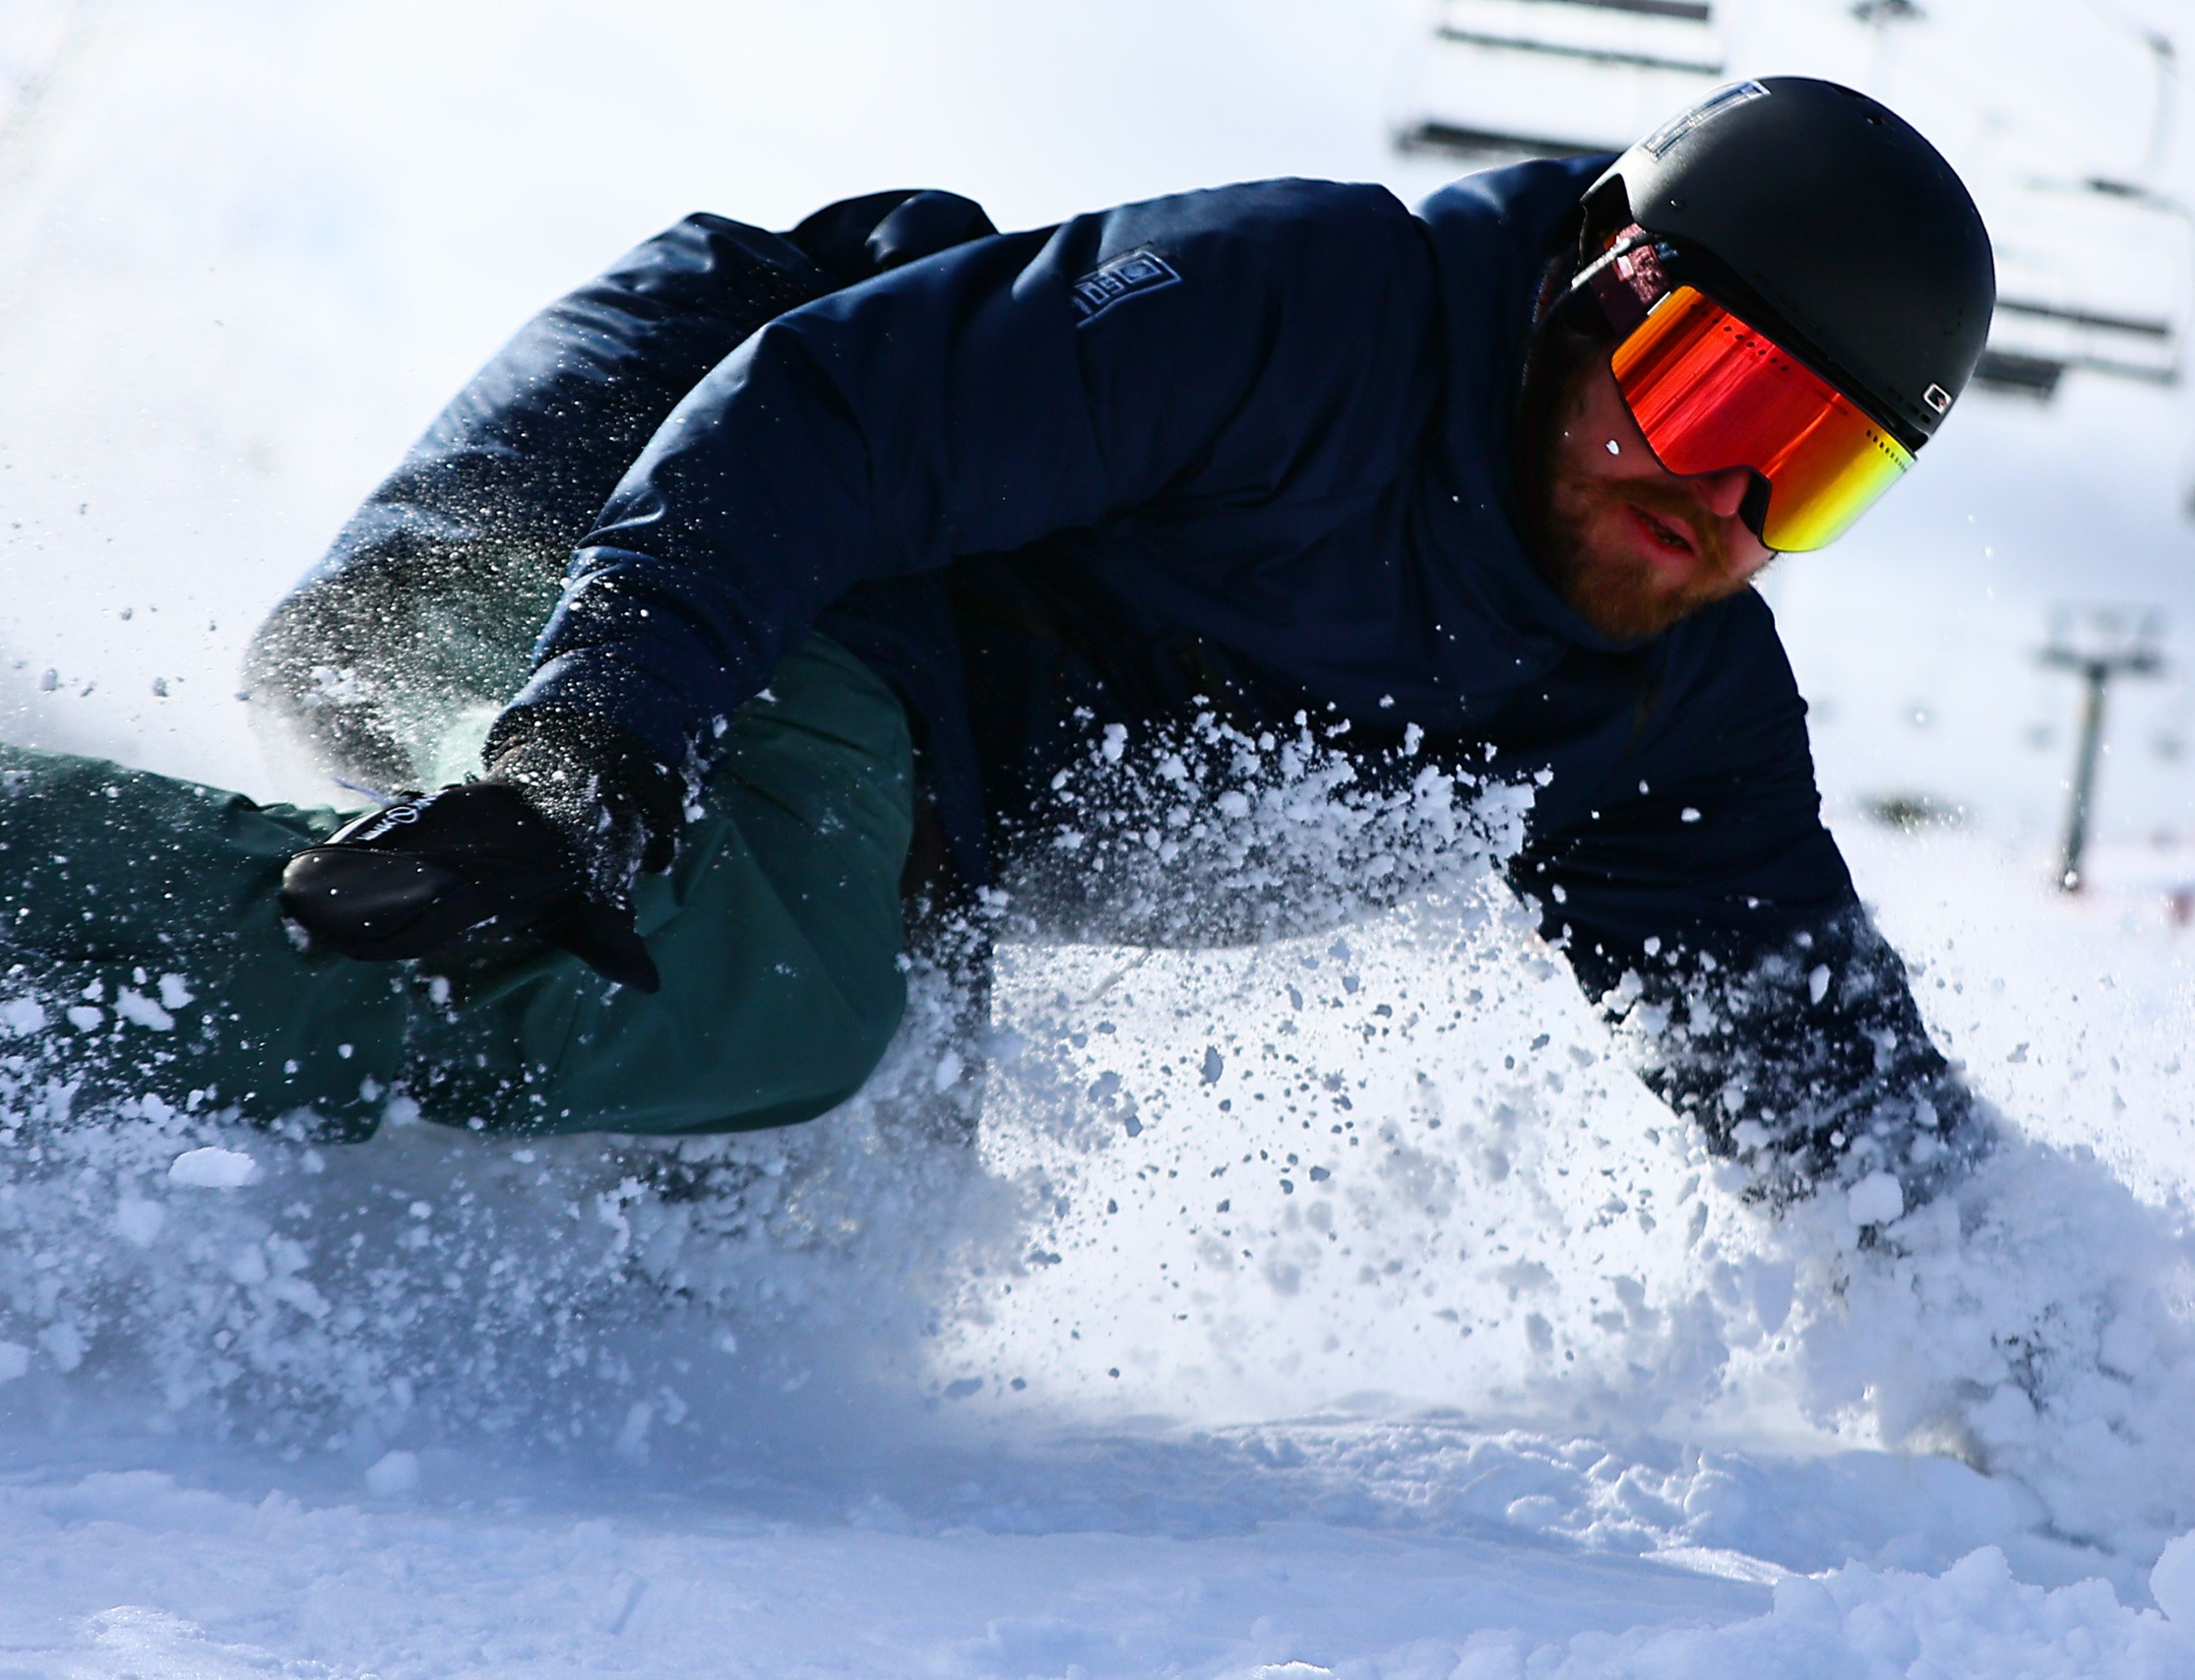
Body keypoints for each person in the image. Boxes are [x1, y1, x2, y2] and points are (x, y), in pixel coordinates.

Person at [4, 78, 1994, 1209]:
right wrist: (590, 751)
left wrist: (2105, 1394)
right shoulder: (1305, 315)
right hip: (643, 536)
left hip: (865, 735)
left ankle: (166, 1181)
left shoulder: (1660, 705)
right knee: (759, 1009)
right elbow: (830, 421)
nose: (1723, 505)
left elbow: (1822, 1080)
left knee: (806, 1232)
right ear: (1598, 283)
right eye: (1713, 397)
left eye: (1806, 479)